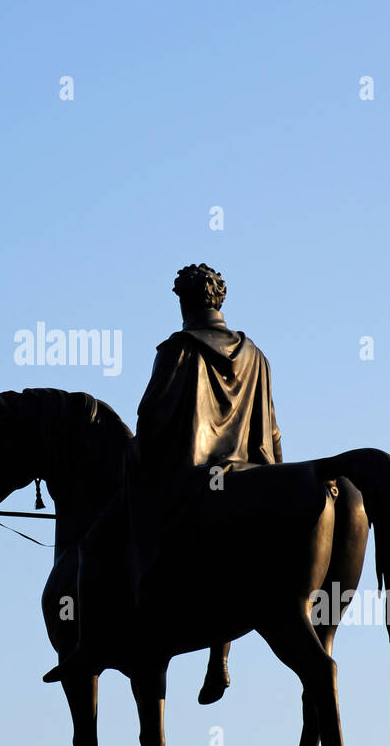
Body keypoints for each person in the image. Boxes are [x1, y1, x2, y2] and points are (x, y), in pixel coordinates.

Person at [44, 264, 283, 696]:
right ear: (218, 300)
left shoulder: (178, 349)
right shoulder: (256, 356)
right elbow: (272, 432)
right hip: (248, 476)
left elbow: (152, 419)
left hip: (188, 479)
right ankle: (220, 658)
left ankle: (87, 644)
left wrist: (131, 456)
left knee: (94, 544)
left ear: (185, 301)